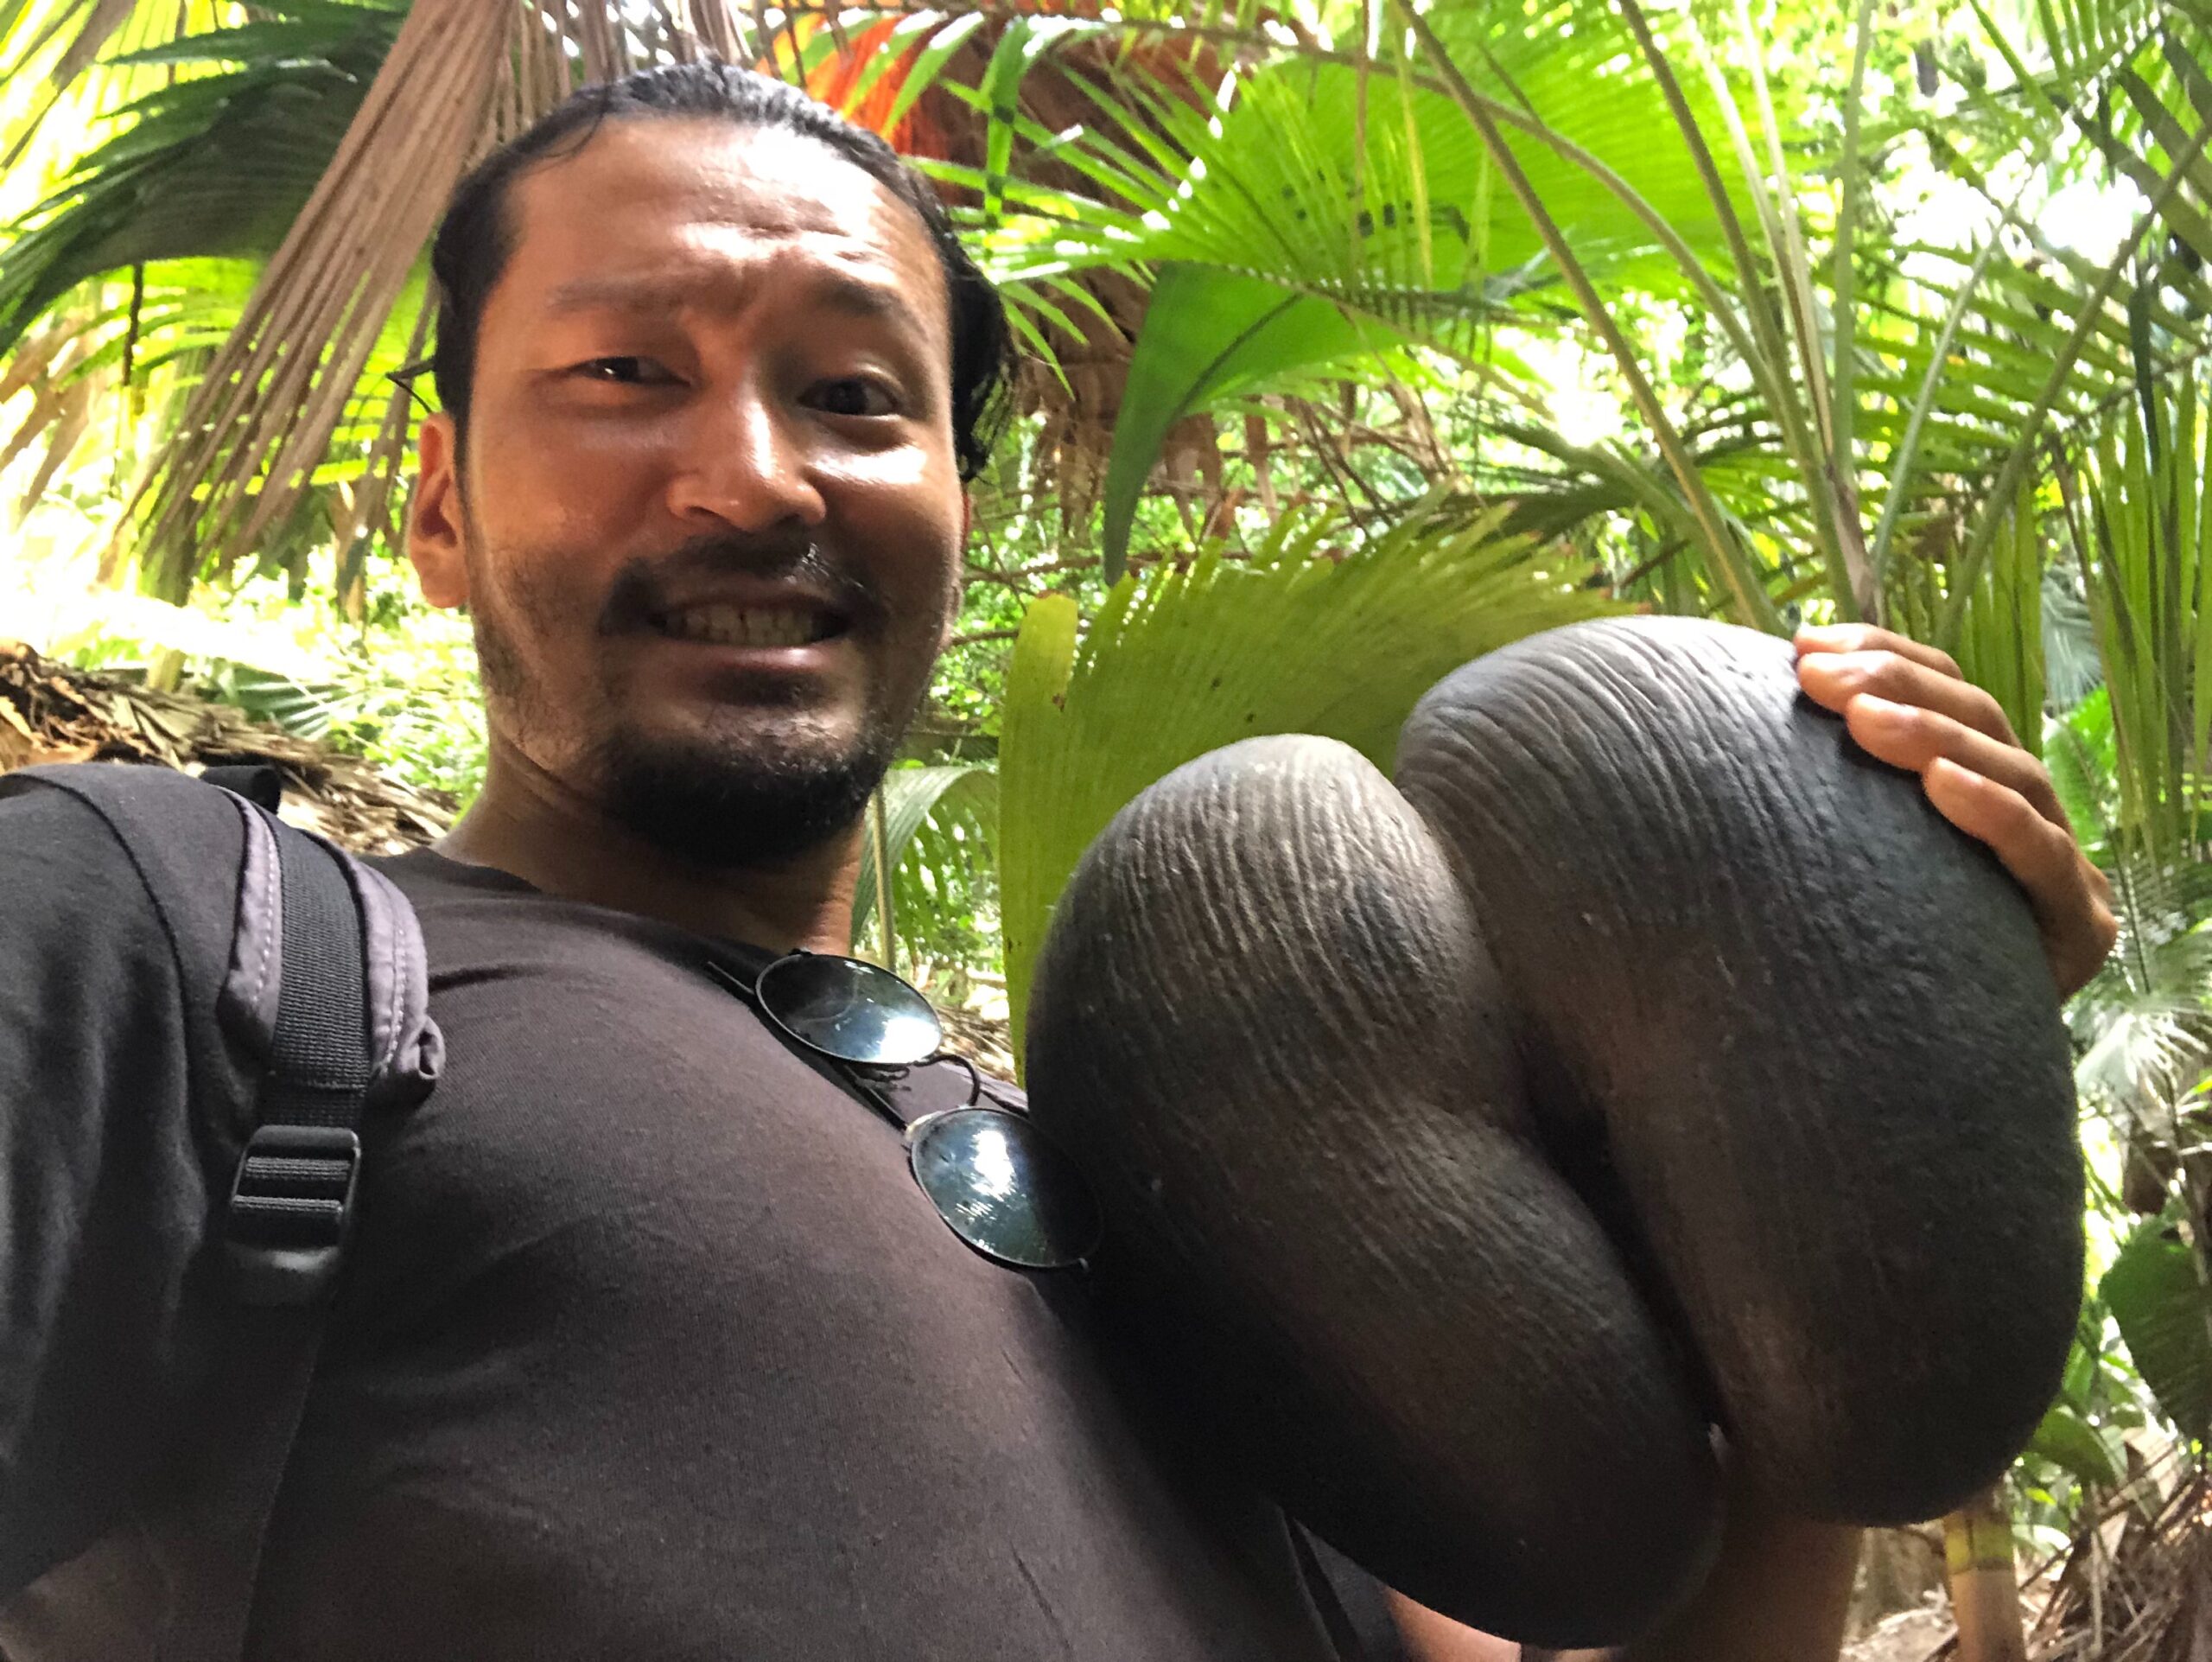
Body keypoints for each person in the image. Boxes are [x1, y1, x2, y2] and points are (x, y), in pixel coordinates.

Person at [0, 62, 2117, 1662]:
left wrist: (1844, 1124)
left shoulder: (1195, 1194)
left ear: (950, 505)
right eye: (625, 373)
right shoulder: (182, 935)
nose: (750, 478)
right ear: (442, 505)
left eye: (851, 394)